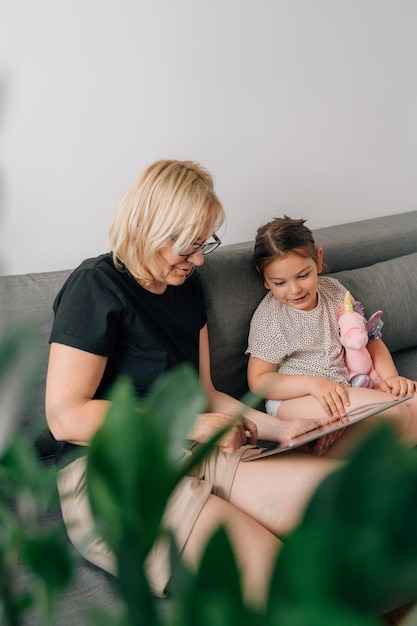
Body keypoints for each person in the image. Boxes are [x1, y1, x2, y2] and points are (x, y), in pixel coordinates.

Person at [44, 162, 342, 610]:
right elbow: (66, 417)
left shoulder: (187, 285)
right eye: (187, 247)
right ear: (145, 226)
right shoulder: (95, 286)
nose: (199, 259)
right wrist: (192, 424)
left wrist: (280, 430)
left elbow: (204, 391)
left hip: (197, 449)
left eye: (204, 244)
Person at [247, 215, 417, 457]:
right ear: (264, 278)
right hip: (295, 398)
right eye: (280, 282)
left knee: (413, 405)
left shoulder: (334, 290)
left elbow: (366, 338)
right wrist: (313, 384)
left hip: (342, 388)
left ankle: (366, 463)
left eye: (303, 276)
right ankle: (323, 457)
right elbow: (259, 381)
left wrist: (391, 377)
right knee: (396, 413)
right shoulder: (271, 318)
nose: (294, 289)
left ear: (318, 259)